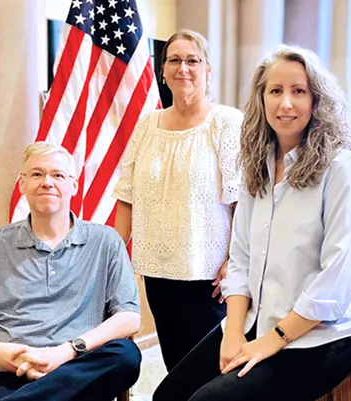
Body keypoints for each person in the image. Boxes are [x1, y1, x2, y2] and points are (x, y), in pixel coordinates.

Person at [152, 45, 351, 400]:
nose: (285, 104)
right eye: (275, 91)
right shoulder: (258, 165)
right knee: (168, 396)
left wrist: (270, 342)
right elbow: (240, 259)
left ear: (317, 101)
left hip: (323, 334)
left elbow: (336, 279)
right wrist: (233, 334)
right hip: (258, 318)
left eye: (298, 91)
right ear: (261, 99)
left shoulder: (343, 169)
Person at [0, 142, 142, 401]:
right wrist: (0, 354)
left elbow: (129, 317)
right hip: (5, 371)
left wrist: (66, 352)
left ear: (74, 186)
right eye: (37, 174)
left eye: (58, 175)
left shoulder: (105, 242)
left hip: (76, 367)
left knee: (125, 356)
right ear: (22, 184)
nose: (47, 182)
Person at [113, 29, 244, 372]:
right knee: (175, 366)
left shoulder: (226, 122)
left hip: (210, 274)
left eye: (192, 60)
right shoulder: (147, 124)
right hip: (157, 270)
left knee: (208, 375)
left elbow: (244, 200)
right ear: (163, 69)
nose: (183, 68)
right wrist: (115, 259)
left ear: (208, 69)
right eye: (174, 60)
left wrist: (235, 260)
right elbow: (126, 196)